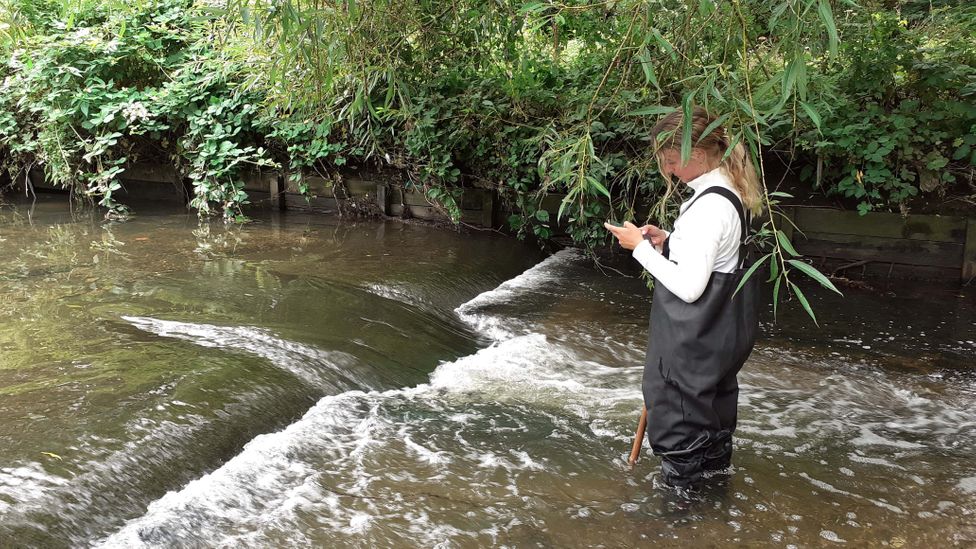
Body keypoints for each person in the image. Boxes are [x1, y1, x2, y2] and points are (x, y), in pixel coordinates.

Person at [604, 106, 762, 490]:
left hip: (692, 345)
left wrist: (638, 248)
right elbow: (719, 260)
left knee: (681, 431)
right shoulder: (729, 194)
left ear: (698, 152)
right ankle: (711, 512)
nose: (671, 171)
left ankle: (681, 522)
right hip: (720, 343)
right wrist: (671, 241)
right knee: (711, 423)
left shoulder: (707, 208)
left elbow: (690, 287)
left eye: (673, 161)